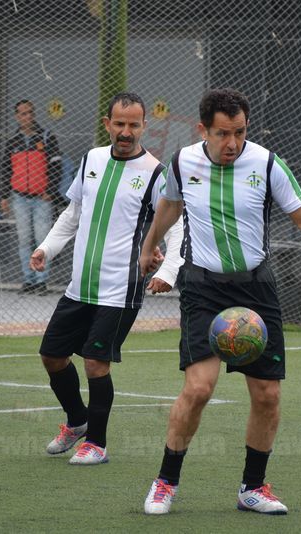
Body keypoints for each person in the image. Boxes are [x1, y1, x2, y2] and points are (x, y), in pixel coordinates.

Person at [138, 88, 301, 514]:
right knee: (199, 388)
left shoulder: (267, 164)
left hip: (256, 290)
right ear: (203, 130)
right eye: (223, 134)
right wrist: (150, 246)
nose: (232, 143)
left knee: (267, 395)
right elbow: (169, 207)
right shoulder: (181, 163)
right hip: (203, 288)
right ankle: (165, 482)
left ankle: (253, 487)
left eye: (240, 132)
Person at [29, 92, 183, 465]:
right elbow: (73, 213)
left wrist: (167, 271)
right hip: (80, 285)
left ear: (144, 126)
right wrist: (47, 248)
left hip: (121, 287)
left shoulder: (157, 173)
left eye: (133, 125)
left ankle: (96, 444)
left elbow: (177, 226)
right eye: (119, 124)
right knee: (52, 355)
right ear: (107, 124)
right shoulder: (91, 160)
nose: (126, 132)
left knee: (96, 363)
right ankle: (77, 421)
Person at [2, 99, 63, 295]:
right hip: (19, 198)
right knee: (24, 240)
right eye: (22, 113)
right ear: (17, 117)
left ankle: (41, 282)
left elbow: (57, 166)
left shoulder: (46, 137)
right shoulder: (13, 141)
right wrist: (4, 196)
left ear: (34, 114)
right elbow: (5, 170)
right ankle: (28, 281)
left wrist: (50, 191)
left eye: (30, 112)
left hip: (41, 199)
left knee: (42, 239)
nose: (27, 116)